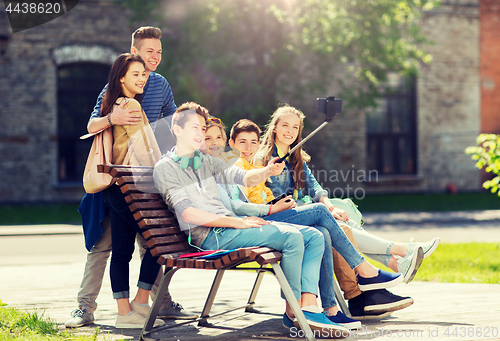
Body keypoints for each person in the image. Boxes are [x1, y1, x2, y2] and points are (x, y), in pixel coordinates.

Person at [155, 102, 375, 334]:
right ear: (177, 130)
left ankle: (308, 306)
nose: (200, 133)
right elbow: (188, 213)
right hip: (212, 236)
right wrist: (238, 222)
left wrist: (267, 171)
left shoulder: (206, 161)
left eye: (202, 128)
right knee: (292, 237)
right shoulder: (166, 167)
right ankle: (294, 311)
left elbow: (245, 176)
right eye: (195, 128)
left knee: (314, 236)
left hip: (231, 229)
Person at [204, 117, 410, 325]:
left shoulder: (248, 164)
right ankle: (366, 274)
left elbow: (306, 185)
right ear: (232, 143)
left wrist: (288, 203)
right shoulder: (243, 164)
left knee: (325, 230)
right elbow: (236, 205)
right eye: (242, 142)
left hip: (270, 214)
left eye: (253, 142)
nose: (248, 147)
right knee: (322, 215)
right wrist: (271, 207)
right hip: (258, 221)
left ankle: (332, 307)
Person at [254, 105, 441, 314]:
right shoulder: (266, 159)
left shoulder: (294, 156)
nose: (290, 131)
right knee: (339, 228)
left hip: (303, 212)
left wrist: (330, 206)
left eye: (295, 127)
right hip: (281, 219)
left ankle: (385, 272)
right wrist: (317, 209)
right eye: (285, 125)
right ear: (274, 128)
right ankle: (392, 260)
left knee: (345, 224)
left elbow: (314, 187)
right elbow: (281, 200)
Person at [66, 27, 195, 329]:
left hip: (146, 178)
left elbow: (172, 124)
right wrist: (114, 118)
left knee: (148, 243)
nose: (155, 58)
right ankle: (86, 307)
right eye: (150, 51)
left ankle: (155, 304)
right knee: (105, 246)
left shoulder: (160, 84)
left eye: (159, 52)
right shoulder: (114, 86)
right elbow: (92, 123)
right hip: (118, 178)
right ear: (134, 53)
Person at [95, 53, 164, 328]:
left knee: (122, 251)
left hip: (117, 186)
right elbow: (146, 149)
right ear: (121, 77)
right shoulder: (131, 105)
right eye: (135, 74)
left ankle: (125, 313)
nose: (142, 78)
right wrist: (162, 177)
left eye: (143, 74)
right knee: (158, 244)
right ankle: (139, 302)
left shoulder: (113, 103)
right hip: (133, 188)